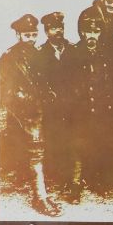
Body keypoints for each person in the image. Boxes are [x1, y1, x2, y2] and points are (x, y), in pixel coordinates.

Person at [0, 14, 61, 217]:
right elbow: (4, 88)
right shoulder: (9, 56)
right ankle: (40, 197)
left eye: (34, 35)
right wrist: (21, 100)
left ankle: (39, 190)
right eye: (27, 35)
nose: (31, 39)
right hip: (24, 110)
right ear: (18, 35)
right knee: (35, 151)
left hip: (41, 108)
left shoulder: (39, 53)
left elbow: (46, 80)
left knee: (40, 149)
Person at [67, 16, 113, 198]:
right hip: (79, 110)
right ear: (82, 33)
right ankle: (75, 184)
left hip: (101, 109)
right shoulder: (72, 53)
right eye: (88, 31)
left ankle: (97, 180)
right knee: (78, 145)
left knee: (99, 143)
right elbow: (65, 83)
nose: (92, 35)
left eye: (96, 32)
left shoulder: (106, 54)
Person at [32, 11, 73, 201]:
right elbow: (38, 81)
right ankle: (56, 177)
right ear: (46, 31)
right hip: (51, 107)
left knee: (71, 140)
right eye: (54, 28)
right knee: (54, 140)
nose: (58, 31)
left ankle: (70, 179)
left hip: (72, 104)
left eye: (60, 27)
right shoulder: (40, 53)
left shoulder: (72, 49)